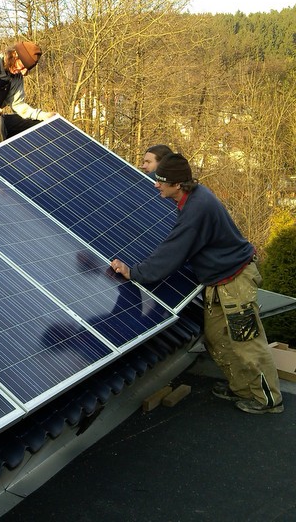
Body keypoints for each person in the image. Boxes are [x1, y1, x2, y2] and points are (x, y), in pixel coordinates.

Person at [110, 153, 283, 414]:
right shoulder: (193, 197)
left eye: (161, 181)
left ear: (177, 185)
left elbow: (173, 250)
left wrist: (134, 272)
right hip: (218, 280)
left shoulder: (197, 208)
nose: (156, 184)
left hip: (235, 280)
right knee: (217, 338)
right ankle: (243, 388)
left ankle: (268, 400)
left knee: (245, 340)